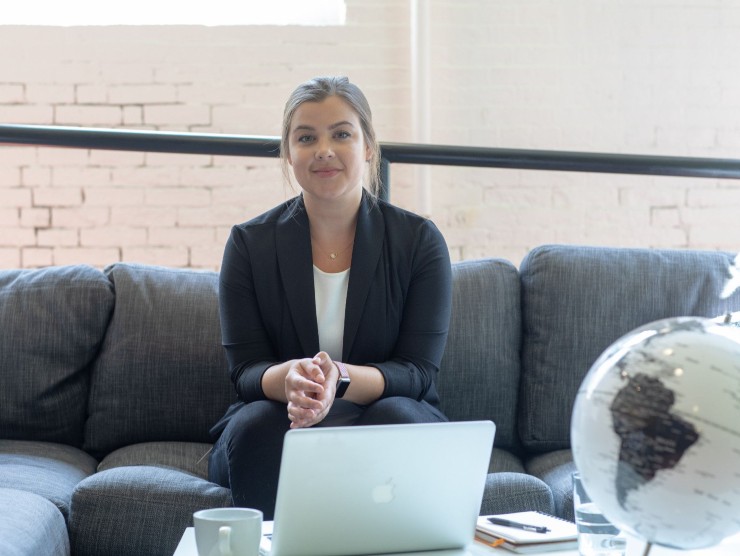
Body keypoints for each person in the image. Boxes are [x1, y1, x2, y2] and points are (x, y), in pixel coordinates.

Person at [208, 76, 452, 519]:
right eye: (306, 137)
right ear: (288, 152)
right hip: (282, 422)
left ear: (368, 147)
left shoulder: (419, 241)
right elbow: (245, 372)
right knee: (258, 423)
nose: (324, 149)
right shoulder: (249, 244)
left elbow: (418, 372)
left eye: (341, 133)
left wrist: (336, 378)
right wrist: (292, 381)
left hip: (384, 415)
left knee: (397, 416)